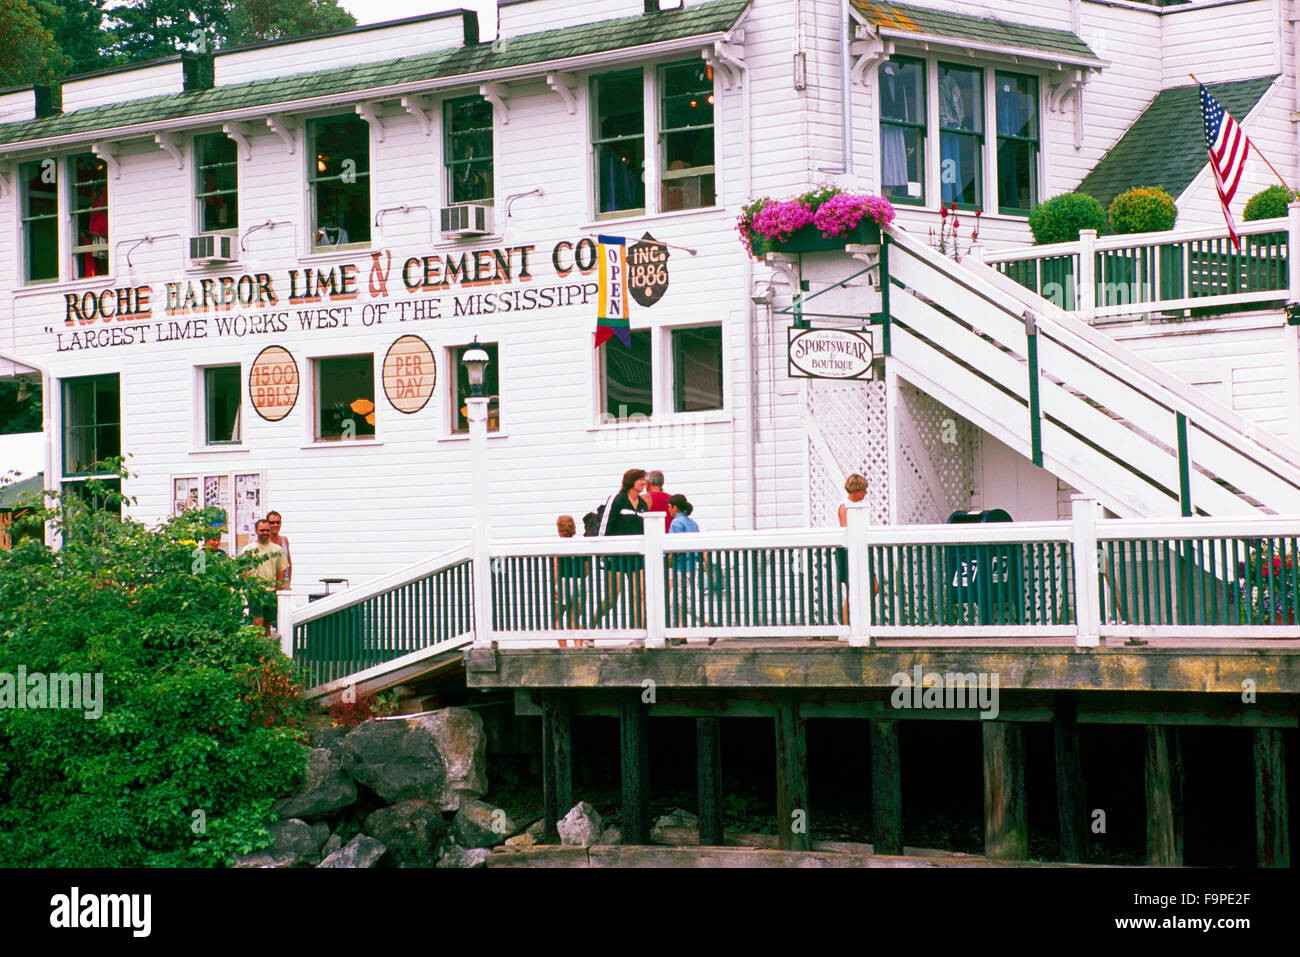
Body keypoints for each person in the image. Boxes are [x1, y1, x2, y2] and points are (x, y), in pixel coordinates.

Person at [593, 468, 648, 627]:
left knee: (640, 595)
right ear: (631, 481)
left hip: (636, 557)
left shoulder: (643, 504)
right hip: (616, 556)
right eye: (640, 479)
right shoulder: (617, 499)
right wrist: (601, 549)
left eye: (644, 479)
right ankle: (590, 626)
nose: (643, 483)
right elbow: (605, 524)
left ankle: (639, 635)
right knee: (611, 598)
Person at [666, 493, 711, 640]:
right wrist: (706, 563)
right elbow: (700, 545)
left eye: (669, 507)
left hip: (680, 567)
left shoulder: (676, 523)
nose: (668, 511)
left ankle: (707, 625)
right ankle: (681, 633)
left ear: (675, 507)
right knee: (682, 600)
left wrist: (668, 560)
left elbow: (676, 547)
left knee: (677, 601)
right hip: (692, 566)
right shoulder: (693, 524)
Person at [837, 474, 879, 628]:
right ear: (856, 490)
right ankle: (847, 627)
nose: (866, 493)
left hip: (862, 551)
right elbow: (847, 529)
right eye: (863, 490)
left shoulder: (860, 505)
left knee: (874, 586)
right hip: (849, 552)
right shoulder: (844, 506)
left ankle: (856, 619)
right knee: (852, 590)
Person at [242, 518, 287, 634]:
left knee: (267, 623)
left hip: (270, 591)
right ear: (256, 531)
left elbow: (281, 569)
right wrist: (248, 588)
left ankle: (265, 650)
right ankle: (258, 649)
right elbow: (243, 570)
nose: (265, 533)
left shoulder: (277, 550)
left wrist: (278, 588)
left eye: (267, 530)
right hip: (255, 591)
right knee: (258, 622)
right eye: (262, 530)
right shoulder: (249, 549)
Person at [553, 515, 590, 647]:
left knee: (557, 618)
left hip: (563, 582)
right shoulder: (581, 545)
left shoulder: (558, 546)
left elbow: (556, 567)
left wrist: (553, 586)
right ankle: (578, 647)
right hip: (580, 582)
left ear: (559, 529)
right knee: (575, 618)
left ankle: (563, 649)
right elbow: (586, 569)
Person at [266, 510, 292, 586]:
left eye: (278, 522)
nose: (275, 525)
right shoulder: (264, 542)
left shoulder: (284, 540)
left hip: (284, 581)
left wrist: (289, 579)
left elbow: (289, 561)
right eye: (272, 523)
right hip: (269, 582)